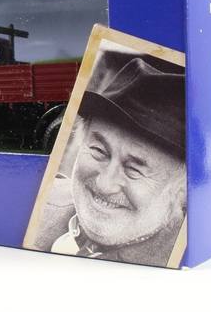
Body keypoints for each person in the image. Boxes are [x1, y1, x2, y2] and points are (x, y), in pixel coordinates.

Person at [34, 49, 186, 267]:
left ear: (181, 191)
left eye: (133, 170)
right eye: (99, 152)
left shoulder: (174, 261)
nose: (104, 185)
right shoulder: (39, 199)